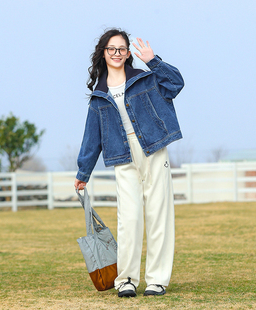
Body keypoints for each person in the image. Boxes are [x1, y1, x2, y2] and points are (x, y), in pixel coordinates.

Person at [74, 28, 184, 297]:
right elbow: (92, 137)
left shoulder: (145, 79)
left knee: (159, 214)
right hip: (121, 156)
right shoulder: (99, 96)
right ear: (103, 52)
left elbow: (176, 84)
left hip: (153, 149)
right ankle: (127, 280)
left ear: (127, 53)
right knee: (129, 218)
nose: (117, 53)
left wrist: (153, 60)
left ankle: (157, 279)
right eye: (112, 49)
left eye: (122, 49)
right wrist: (83, 172)